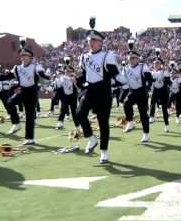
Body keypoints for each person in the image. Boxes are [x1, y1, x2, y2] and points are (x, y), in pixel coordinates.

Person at [75, 17, 126, 164]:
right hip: (90, 90)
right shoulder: (84, 57)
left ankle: (104, 152)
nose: (90, 42)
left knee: (103, 123)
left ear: (100, 42)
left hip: (104, 92)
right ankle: (91, 138)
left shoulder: (107, 56)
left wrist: (123, 81)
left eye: (94, 40)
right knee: (79, 113)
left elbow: (115, 73)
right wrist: (78, 80)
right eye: (89, 40)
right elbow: (84, 75)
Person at [7, 37, 51, 145]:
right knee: (10, 103)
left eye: (25, 55)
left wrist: (45, 76)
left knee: (30, 115)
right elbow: (9, 75)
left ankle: (29, 139)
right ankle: (16, 123)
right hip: (22, 90)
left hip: (32, 92)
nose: (23, 57)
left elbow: (42, 75)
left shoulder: (35, 66)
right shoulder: (17, 67)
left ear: (30, 57)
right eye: (21, 55)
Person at [122, 39, 153, 142]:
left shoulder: (142, 67)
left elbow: (149, 78)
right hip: (132, 91)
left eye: (133, 58)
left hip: (142, 92)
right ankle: (130, 122)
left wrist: (148, 84)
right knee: (126, 103)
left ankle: (146, 134)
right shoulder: (126, 68)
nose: (131, 60)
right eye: (130, 58)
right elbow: (121, 80)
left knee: (143, 115)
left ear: (137, 59)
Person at [149, 49, 171, 132]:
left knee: (164, 109)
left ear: (160, 64)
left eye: (157, 63)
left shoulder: (164, 71)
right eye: (154, 63)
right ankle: (151, 116)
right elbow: (150, 81)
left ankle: (166, 124)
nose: (155, 64)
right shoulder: (152, 72)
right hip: (156, 90)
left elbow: (167, 80)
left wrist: (164, 70)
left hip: (163, 91)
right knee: (152, 101)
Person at [56, 65, 80, 130]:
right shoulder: (62, 77)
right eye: (66, 71)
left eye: (70, 71)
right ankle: (59, 124)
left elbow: (78, 88)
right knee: (63, 109)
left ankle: (77, 126)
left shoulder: (75, 78)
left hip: (73, 96)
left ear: (72, 72)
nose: (68, 72)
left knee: (74, 111)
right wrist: (58, 77)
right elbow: (58, 84)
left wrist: (75, 80)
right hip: (65, 96)